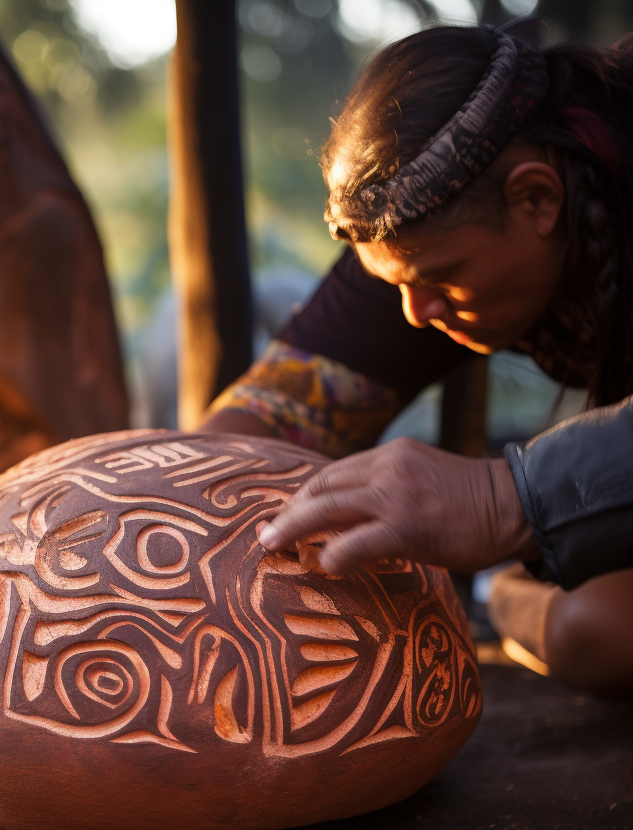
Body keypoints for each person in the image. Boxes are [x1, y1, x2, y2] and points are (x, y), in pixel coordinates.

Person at [201, 25, 633, 696]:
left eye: (439, 277)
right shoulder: (432, 236)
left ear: (536, 198)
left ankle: (511, 593)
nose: (414, 314)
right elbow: (262, 424)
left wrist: (500, 500)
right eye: (394, 283)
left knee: (599, 631)